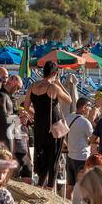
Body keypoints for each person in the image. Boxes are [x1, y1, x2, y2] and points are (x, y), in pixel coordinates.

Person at [28, 60, 72, 189]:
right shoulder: (53, 87)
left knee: (41, 155)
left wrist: (37, 115)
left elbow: (26, 106)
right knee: (54, 157)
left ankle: (40, 184)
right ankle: (49, 187)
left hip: (39, 126)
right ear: (55, 73)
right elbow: (69, 100)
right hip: (53, 127)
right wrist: (59, 84)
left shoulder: (33, 86)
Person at [63, 97, 95, 200]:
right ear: (84, 107)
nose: (90, 109)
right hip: (82, 157)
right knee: (83, 186)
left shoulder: (69, 117)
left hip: (70, 155)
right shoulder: (85, 122)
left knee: (70, 187)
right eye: (89, 107)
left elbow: (64, 132)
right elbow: (93, 139)